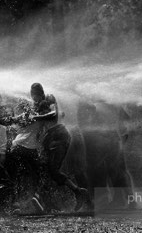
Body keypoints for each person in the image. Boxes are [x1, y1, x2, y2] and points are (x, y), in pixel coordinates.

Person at [29, 83, 89, 211]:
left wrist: (36, 117)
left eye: (34, 95)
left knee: (53, 170)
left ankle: (78, 192)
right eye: (32, 96)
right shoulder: (37, 105)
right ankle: (48, 201)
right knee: (46, 170)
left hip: (59, 135)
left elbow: (53, 114)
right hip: (49, 137)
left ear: (38, 93)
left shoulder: (49, 98)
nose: (33, 98)